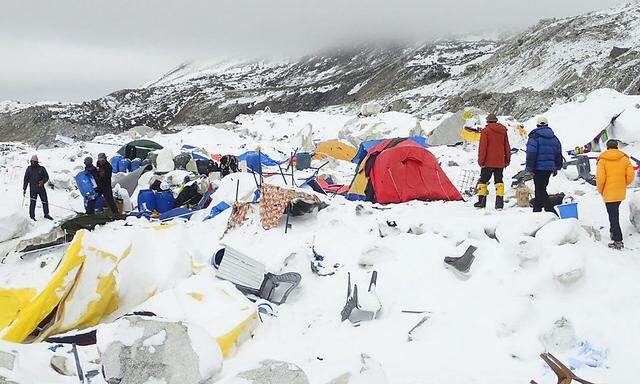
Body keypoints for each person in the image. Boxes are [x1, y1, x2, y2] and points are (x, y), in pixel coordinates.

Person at [596, 140, 635, 250]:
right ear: (617, 147)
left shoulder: (602, 160)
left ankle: (618, 240)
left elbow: (600, 178)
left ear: (607, 147)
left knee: (613, 216)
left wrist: (601, 190)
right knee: (614, 213)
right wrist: (623, 183)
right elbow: (631, 175)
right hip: (620, 191)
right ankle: (613, 232)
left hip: (608, 192)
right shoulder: (624, 158)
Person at [525, 116, 563, 214]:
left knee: (540, 189)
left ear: (537, 125)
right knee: (540, 188)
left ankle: (550, 209)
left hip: (538, 168)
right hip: (549, 168)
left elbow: (531, 153)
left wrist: (530, 168)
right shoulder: (554, 138)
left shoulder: (534, 137)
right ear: (547, 125)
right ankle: (536, 210)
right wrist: (557, 167)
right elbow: (558, 154)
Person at [475, 113, 511, 209]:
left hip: (487, 162)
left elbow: (483, 148)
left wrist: (481, 161)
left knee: (483, 181)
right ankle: (499, 203)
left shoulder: (486, 131)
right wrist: (507, 160)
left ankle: (481, 202)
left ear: (487, 121)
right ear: (496, 121)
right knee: (499, 181)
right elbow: (507, 146)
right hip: (500, 161)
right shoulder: (503, 131)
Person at [23, 155, 53, 221]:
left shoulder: (42, 168)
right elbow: (26, 179)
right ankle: (32, 216)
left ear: (37, 162)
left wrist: (43, 181)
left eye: (34, 162)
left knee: (44, 201)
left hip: (41, 188)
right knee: (33, 202)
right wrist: (24, 188)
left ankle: (46, 214)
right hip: (33, 189)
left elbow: (46, 177)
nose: (32, 163)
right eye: (31, 161)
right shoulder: (29, 169)